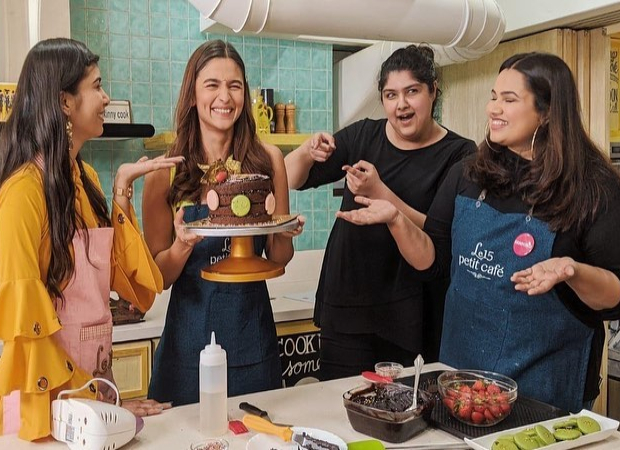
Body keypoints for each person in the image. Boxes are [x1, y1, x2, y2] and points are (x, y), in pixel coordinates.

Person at [338, 52, 620, 412]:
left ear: (548, 111)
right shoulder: (469, 173)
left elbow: (614, 297)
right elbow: (434, 260)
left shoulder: (593, 189)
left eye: (509, 99)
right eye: (493, 96)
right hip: (460, 388)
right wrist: (396, 219)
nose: (493, 109)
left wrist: (573, 271)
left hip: (544, 394)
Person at [0, 38, 182, 441]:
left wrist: (119, 194)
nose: (106, 96)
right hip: (48, 406)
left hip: (95, 393)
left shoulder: (88, 181)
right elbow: (28, 332)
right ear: (65, 102)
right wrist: (96, 395)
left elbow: (137, 286)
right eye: (97, 85)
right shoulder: (22, 193)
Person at [284, 44, 476, 380]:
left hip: (412, 312)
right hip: (347, 303)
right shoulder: (363, 135)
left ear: (433, 92)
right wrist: (306, 150)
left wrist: (381, 193)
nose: (401, 104)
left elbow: (443, 231)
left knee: (406, 412)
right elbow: (288, 178)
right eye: (390, 95)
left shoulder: (459, 153)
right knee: (338, 408)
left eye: (412, 91)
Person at [143, 39, 303, 406]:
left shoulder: (268, 160)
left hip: (252, 335)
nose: (224, 97)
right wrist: (183, 243)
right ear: (193, 94)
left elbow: (279, 258)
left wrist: (283, 229)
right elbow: (158, 277)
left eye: (234, 86)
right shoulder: (165, 172)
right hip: (187, 343)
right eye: (212, 85)